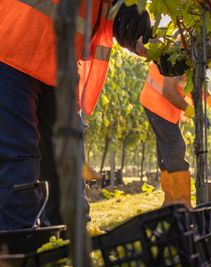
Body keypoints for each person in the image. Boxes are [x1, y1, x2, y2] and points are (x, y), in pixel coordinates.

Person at [0, 1, 188, 230]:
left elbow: (119, 19)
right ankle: (19, 251)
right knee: (18, 160)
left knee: (66, 163)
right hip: (9, 47)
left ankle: (67, 243)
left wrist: (153, 43)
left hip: (55, 64)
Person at [140, 63, 211, 207]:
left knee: (167, 155)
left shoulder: (191, 58)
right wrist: (195, 114)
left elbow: (196, 88)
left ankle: (171, 202)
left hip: (166, 110)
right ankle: (182, 204)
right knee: (176, 149)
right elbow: (170, 92)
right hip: (156, 105)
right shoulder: (176, 55)